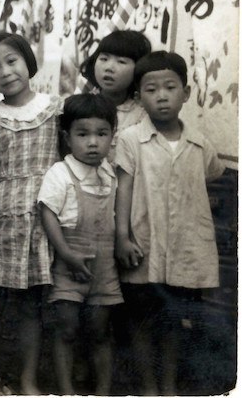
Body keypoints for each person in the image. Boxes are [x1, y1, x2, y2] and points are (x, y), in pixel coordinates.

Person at [114, 51, 224, 395]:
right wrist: (122, 237)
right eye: (150, 89)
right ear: (139, 97)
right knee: (143, 321)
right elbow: (123, 191)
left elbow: (210, 177)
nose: (161, 96)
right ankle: (149, 388)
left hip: (186, 250)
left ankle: (168, 386)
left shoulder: (200, 144)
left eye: (170, 87)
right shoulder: (131, 140)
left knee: (175, 321)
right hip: (144, 248)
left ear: (186, 93)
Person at [0, 32, 60, 395]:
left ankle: (28, 381)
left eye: (12, 61)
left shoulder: (54, 109)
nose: (5, 71)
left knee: (32, 307)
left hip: (40, 222)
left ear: (28, 62)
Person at [38, 94, 122, 395]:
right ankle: (66, 391)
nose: (93, 143)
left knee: (100, 330)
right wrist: (66, 253)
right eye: (82, 134)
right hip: (69, 263)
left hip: (105, 266)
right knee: (67, 327)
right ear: (67, 137)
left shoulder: (111, 173)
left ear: (113, 135)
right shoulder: (61, 173)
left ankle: (102, 391)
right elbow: (47, 213)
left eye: (102, 134)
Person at [81, 30, 151, 155]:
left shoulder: (143, 115)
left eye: (121, 61)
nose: (109, 68)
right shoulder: (80, 106)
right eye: (104, 59)